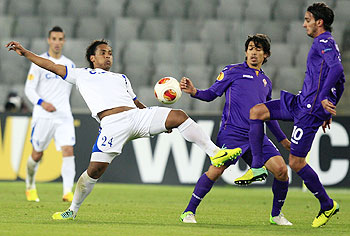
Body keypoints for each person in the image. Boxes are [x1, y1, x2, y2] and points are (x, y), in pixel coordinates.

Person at [6, 39, 242, 220]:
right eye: (103, 53)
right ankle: (72, 210)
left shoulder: (121, 77)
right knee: (95, 171)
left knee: (179, 116)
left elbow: (137, 103)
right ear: (92, 57)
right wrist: (25, 53)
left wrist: (160, 121)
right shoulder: (81, 75)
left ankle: (215, 152)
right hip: (111, 124)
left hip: (136, 116)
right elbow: (51, 65)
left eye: (110, 54)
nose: (108, 57)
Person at [235, 3, 344, 228]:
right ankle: (256, 167)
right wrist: (330, 103)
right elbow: (340, 82)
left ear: (319, 22)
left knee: (295, 162)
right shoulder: (325, 44)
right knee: (257, 112)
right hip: (301, 102)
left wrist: (324, 100)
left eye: (307, 19)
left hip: (310, 110)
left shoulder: (324, 42)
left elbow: (337, 72)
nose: (304, 24)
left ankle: (327, 204)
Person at [179, 34, 292, 225]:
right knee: (216, 171)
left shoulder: (266, 81)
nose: (253, 52)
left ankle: (276, 215)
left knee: (282, 171)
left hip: (257, 136)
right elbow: (211, 94)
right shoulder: (232, 71)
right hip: (233, 133)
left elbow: (268, 114)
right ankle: (188, 212)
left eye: (258, 49)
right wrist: (195, 91)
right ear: (246, 51)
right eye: (250, 48)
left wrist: (283, 140)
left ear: (266, 54)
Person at [23, 26, 76, 203]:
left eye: (60, 39)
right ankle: (30, 184)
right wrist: (42, 103)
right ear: (49, 40)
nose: (57, 42)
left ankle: (68, 192)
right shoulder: (38, 62)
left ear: (64, 41)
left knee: (68, 149)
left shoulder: (69, 64)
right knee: (37, 154)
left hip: (64, 116)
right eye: (54, 38)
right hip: (43, 116)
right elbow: (29, 89)